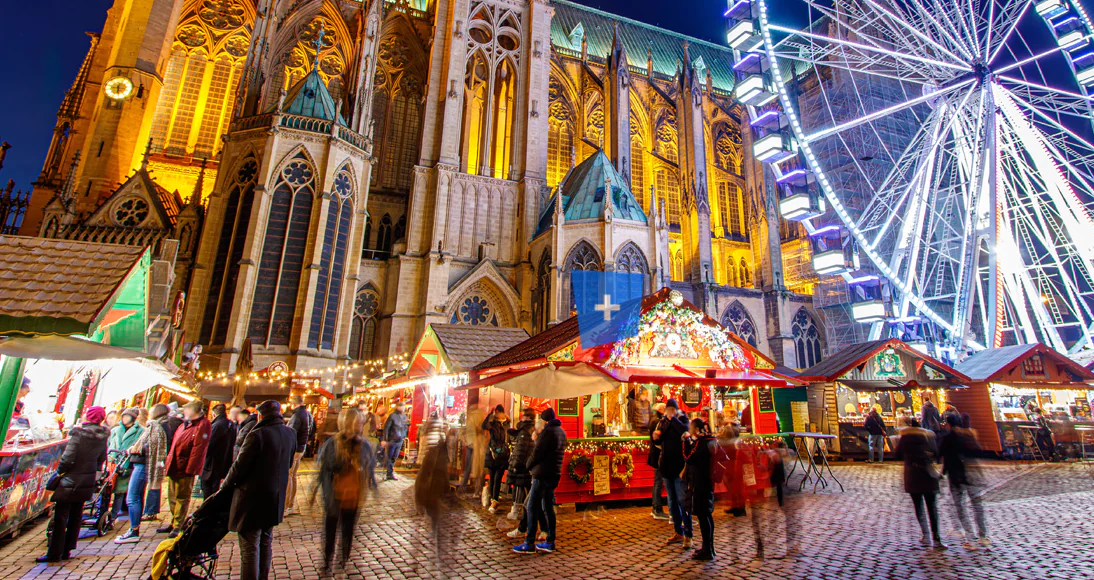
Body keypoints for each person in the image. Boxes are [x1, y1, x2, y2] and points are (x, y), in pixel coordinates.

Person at [222, 400, 297, 580]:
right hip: (275, 496)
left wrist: (225, 487)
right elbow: (288, 464)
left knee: (250, 546)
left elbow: (239, 468)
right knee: (265, 541)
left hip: (252, 497)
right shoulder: (290, 433)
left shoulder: (257, 435)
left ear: (261, 416)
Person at [36, 406, 109, 563]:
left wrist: (61, 472)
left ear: (88, 416)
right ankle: (68, 549)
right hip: (87, 480)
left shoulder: (78, 434)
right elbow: (101, 460)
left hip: (71, 480)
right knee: (76, 515)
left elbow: (67, 458)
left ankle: (54, 553)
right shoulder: (103, 437)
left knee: (61, 516)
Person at [310, 408, 374, 571]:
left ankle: (342, 561)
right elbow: (326, 468)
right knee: (331, 530)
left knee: (348, 530)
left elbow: (369, 466)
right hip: (335, 495)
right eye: (359, 422)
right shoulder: (333, 443)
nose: (361, 425)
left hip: (353, 495)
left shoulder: (364, 444)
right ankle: (327, 561)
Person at [512, 407, 566, 554]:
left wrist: (528, 465)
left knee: (532, 506)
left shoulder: (547, 433)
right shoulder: (561, 432)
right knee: (547, 506)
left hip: (542, 473)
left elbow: (537, 454)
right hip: (554, 473)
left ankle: (529, 542)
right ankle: (550, 540)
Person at [116, 404, 169, 543]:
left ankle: (133, 530)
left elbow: (152, 447)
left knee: (132, 497)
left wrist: (136, 448)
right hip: (141, 464)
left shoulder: (155, 427)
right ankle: (134, 528)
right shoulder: (154, 427)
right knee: (135, 497)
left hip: (142, 464)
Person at [157, 400, 211, 538]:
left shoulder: (202, 425)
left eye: (187, 409)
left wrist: (191, 468)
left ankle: (178, 525)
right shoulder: (184, 425)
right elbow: (175, 444)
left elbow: (198, 448)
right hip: (175, 464)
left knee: (182, 497)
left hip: (185, 466)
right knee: (172, 496)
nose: (184, 412)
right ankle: (174, 521)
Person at [940, 413, 991, 548]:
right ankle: (983, 536)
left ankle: (970, 538)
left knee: (960, 507)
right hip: (972, 475)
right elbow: (979, 451)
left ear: (948, 424)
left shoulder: (947, 438)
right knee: (977, 506)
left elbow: (943, 456)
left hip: (956, 477)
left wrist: (942, 473)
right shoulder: (967, 436)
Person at [895, 417, 945, 550]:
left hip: (912, 475)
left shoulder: (905, 438)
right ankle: (936, 537)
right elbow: (936, 453)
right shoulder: (927, 436)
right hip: (928, 474)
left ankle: (925, 534)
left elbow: (897, 454)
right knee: (932, 507)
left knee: (919, 506)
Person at [654, 399, 693, 548]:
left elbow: (685, 432)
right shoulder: (662, 422)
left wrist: (673, 419)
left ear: (676, 410)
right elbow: (659, 440)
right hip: (666, 467)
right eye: (667, 409)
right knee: (672, 502)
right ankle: (678, 531)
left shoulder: (682, 420)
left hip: (679, 467)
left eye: (672, 409)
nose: (669, 412)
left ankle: (688, 534)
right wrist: (656, 436)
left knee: (682, 501)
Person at [683, 418, 717, 560]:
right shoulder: (710, 440)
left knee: (703, 515)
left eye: (691, 428)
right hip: (708, 481)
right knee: (707, 515)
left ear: (697, 430)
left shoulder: (701, 443)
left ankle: (707, 550)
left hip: (701, 482)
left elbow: (688, 457)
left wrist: (685, 441)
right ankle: (709, 547)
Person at [105, 408, 143, 521]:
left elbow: (138, 445)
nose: (125, 419)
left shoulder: (140, 431)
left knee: (119, 492)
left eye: (128, 417)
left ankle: (113, 516)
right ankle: (102, 513)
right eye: (123, 416)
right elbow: (109, 444)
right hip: (112, 462)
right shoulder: (115, 430)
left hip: (126, 464)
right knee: (106, 489)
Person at [505, 408, 536, 529]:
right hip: (529, 463)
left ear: (527, 417)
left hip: (523, 463)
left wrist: (515, 464)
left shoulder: (524, 431)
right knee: (527, 488)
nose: (521, 417)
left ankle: (516, 511)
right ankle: (527, 511)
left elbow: (520, 449)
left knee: (519, 486)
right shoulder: (531, 429)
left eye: (523, 415)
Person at [285, 396, 313, 515]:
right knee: (293, 475)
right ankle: (290, 505)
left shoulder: (297, 415)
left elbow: (290, 432)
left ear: (293, 404)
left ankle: (286, 505)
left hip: (294, 448)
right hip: (301, 447)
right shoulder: (307, 414)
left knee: (288, 476)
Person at [202, 403, 237, 498]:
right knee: (215, 486)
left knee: (208, 488)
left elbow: (209, 444)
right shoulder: (231, 424)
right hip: (224, 461)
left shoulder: (217, 425)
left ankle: (208, 508)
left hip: (213, 463)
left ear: (214, 414)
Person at [482, 404, 511, 513]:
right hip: (495, 453)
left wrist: (490, 415)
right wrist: (490, 415)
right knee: (494, 477)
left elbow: (484, 426)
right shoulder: (502, 423)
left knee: (496, 477)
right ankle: (493, 498)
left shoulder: (501, 423)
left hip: (499, 453)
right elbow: (484, 426)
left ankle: (494, 499)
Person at [648, 403, 669, 520]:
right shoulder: (658, 421)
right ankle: (657, 508)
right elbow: (658, 439)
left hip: (655, 454)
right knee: (658, 481)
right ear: (661, 410)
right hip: (658, 454)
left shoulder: (654, 420)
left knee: (658, 480)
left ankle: (655, 507)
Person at [458, 407, 486, 493]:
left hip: (472, 445)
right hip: (478, 445)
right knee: (479, 469)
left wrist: (465, 441)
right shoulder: (480, 418)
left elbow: (464, 432)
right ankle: (477, 489)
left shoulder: (470, 419)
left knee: (469, 467)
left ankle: (463, 486)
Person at [382, 400, 410, 481]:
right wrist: (385, 439)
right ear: (397, 407)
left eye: (403, 406)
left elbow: (405, 427)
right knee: (390, 456)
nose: (402, 408)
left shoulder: (404, 416)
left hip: (400, 440)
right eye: (401, 406)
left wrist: (404, 435)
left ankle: (390, 472)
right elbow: (386, 428)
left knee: (394, 457)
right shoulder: (392, 416)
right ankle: (389, 473)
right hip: (392, 440)